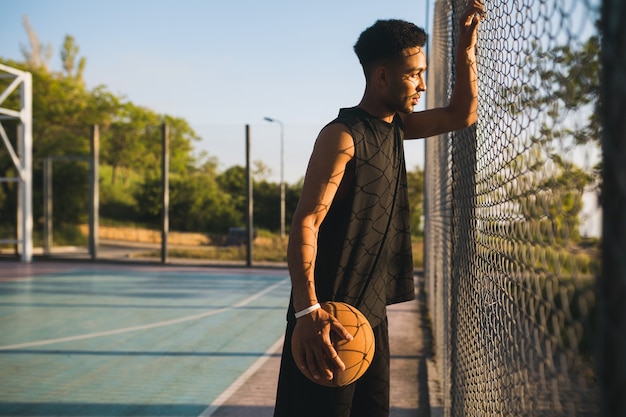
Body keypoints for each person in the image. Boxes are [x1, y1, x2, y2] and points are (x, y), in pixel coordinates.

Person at [274, 2, 486, 416]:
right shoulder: (342, 136)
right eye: (413, 74)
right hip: (328, 316)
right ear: (382, 75)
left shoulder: (396, 128)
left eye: (423, 72)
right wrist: (307, 311)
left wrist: (466, 47)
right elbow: (306, 222)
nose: (422, 84)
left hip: (370, 317)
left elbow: (463, 114)